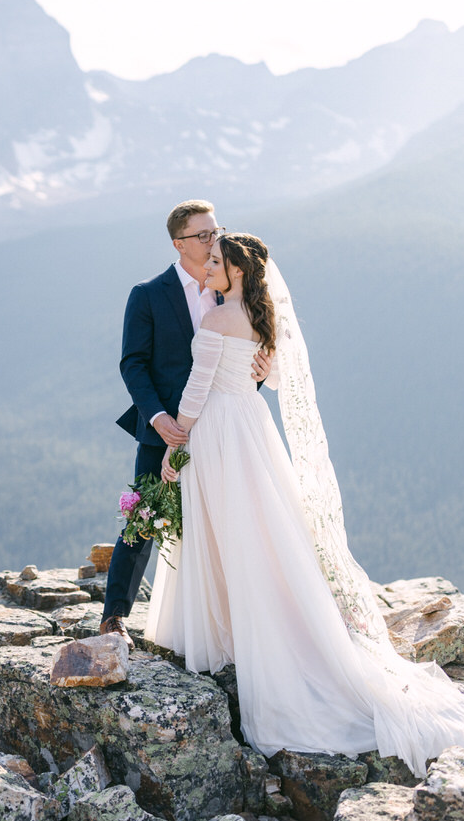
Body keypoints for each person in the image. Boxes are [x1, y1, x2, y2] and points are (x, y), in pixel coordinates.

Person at [144, 232, 464, 774]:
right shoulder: (259, 320)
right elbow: (264, 372)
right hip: (252, 430)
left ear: (238, 271)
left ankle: (226, 636)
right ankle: (254, 625)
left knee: (225, 531)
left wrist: (177, 446)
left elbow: (196, 392)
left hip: (218, 430)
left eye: (217, 262)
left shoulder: (217, 320)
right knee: (259, 530)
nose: (210, 268)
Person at [101, 200, 270, 646]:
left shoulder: (229, 288)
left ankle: (232, 619)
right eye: (203, 235)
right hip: (167, 429)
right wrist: (158, 418)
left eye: (216, 231)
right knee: (145, 515)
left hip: (224, 428)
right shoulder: (148, 294)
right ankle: (115, 616)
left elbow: (255, 344)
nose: (213, 240)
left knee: (232, 517)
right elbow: (133, 364)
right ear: (179, 244)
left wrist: (263, 365)